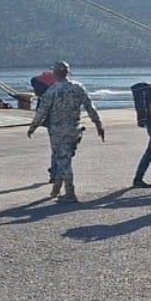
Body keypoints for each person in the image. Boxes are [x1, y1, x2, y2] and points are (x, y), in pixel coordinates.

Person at [27, 61, 104, 202]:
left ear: (55, 73)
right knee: (65, 158)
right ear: (67, 72)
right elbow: (89, 106)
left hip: (57, 130)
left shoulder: (52, 90)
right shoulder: (78, 87)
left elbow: (41, 112)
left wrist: (33, 127)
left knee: (63, 161)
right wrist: (98, 124)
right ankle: (56, 189)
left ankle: (70, 192)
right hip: (74, 129)